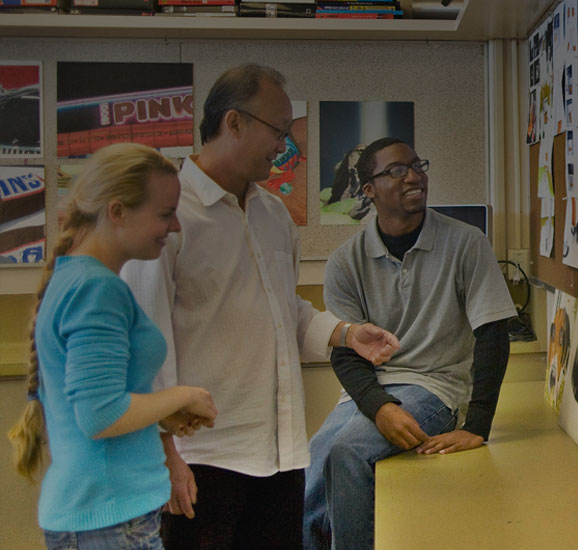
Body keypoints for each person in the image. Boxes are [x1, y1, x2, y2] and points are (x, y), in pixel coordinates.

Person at [120, 64, 400, 550]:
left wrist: (345, 333)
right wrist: (163, 453)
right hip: (202, 460)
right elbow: (144, 342)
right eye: (278, 130)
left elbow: (281, 313)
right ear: (233, 123)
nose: (285, 147)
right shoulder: (168, 212)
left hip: (280, 455)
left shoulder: (273, 214)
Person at [304, 137, 516, 550]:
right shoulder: (345, 262)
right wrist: (379, 406)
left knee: (348, 453)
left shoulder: (466, 242)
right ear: (369, 190)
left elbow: (492, 333)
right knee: (313, 460)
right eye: (397, 170)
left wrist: (478, 426)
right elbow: (346, 352)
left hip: (435, 387)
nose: (414, 176)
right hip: (367, 391)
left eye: (418, 166)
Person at [8, 143, 218, 549]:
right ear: (118, 211)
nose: (175, 227)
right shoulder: (96, 289)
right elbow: (99, 415)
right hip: (109, 520)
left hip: (105, 516)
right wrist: (182, 394)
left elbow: (103, 402)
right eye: (165, 214)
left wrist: (164, 412)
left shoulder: (81, 279)